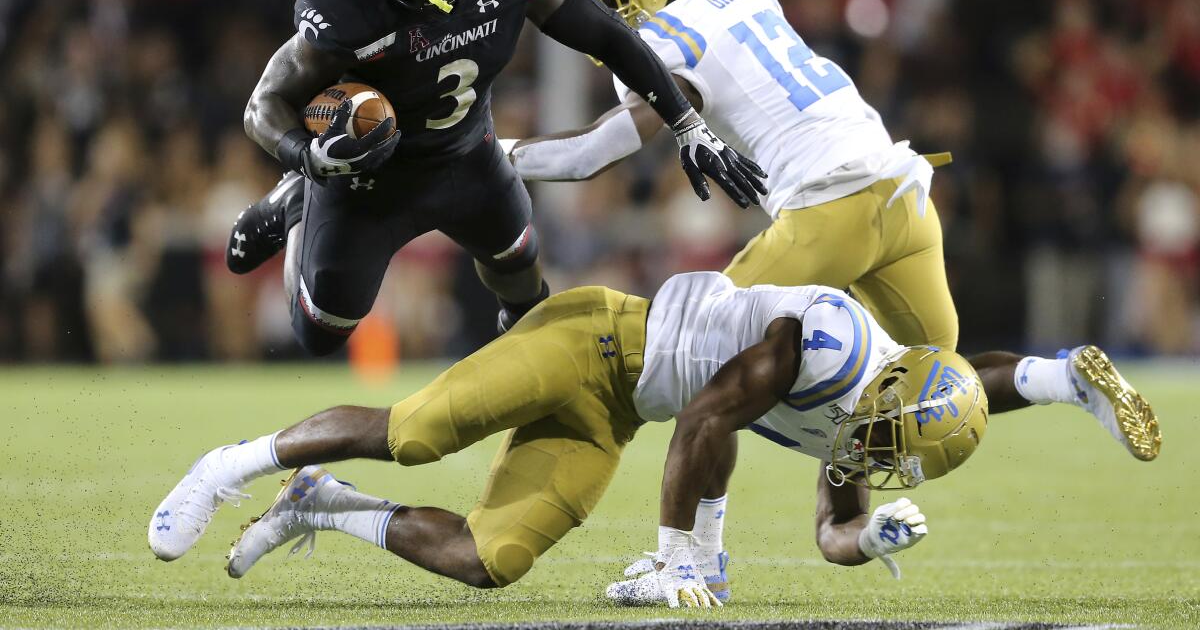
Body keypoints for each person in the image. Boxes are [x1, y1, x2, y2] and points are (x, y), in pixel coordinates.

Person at [500, 0, 1163, 604]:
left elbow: (587, 156)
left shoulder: (665, 36)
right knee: (922, 380)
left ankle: (696, 561)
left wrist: (492, 156)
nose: (597, 13)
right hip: (902, 193)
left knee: (704, 359)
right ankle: (1065, 380)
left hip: (827, 208)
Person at [150, 271, 989, 608]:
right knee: (415, 434)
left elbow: (829, 532)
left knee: (491, 560)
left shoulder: (872, 417)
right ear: (897, 388)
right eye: (889, 439)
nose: (874, 454)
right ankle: (229, 465)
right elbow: (706, 419)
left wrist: (869, 535)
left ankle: (320, 506)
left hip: (617, 410)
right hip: (593, 339)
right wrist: (679, 553)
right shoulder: (830, 340)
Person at [225, 0, 764, 355]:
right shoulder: (342, 3)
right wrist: (308, 159)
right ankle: (295, 204)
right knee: (319, 331)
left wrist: (686, 120)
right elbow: (264, 106)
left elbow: (605, 34)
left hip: (465, 153)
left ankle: (521, 401)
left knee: (526, 289)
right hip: (371, 179)